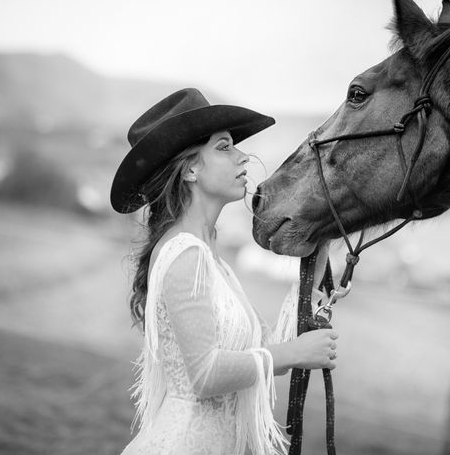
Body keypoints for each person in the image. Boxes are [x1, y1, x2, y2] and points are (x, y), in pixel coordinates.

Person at [110, 88, 338, 455]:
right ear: (190, 169)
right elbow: (205, 375)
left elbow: (260, 354)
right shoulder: (186, 253)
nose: (242, 155)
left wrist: (320, 256)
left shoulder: (208, 258)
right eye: (224, 146)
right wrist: (295, 353)